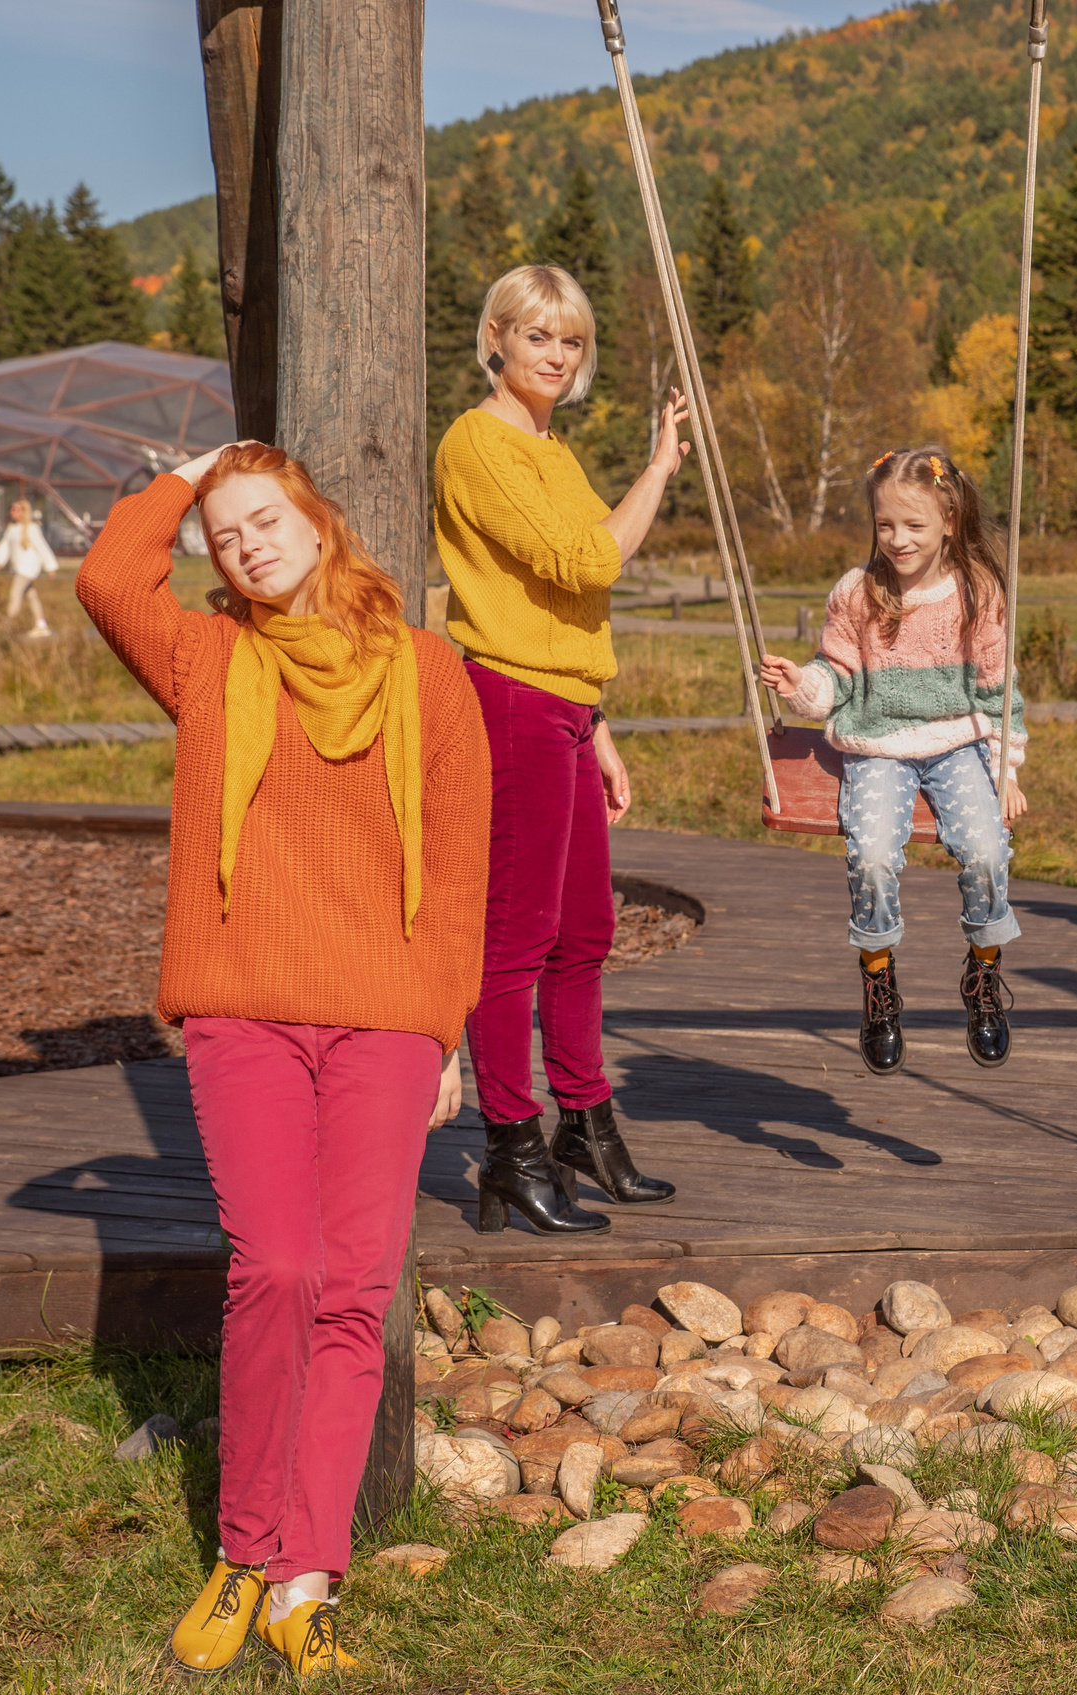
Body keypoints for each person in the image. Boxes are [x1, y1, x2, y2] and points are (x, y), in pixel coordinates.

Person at [76, 440, 489, 1680]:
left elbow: (465, 864)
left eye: (264, 518)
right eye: (224, 533)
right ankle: (244, 1549)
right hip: (245, 1008)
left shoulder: (428, 670)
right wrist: (184, 476)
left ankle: (309, 1579)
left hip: (386, 1016)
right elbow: (107, 579)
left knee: (357, 1286)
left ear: (318, 521)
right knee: (279, 1266)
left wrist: (450, 1028)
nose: (246, 543)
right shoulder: (209, 660)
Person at [432, 263, 693, 1235]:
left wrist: (601, 726)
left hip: (565, 709)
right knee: (517, 936)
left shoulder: (552, 451)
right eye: (536, 334)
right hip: (507, 702)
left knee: (584, 931)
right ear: (494, 337)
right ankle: (511, 1142)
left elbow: (571, 603)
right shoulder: (478, 443)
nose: (555, 354)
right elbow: (587, 560)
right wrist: (659, 469)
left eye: (571, 340)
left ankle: (586, 1122)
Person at [757, 446, 1027, 1076]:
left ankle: (983, 977)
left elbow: (997, 685)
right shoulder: (857, 593)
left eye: (914, 526)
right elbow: (838, 677)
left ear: (949, 523)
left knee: (986, 851)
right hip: (877, 745)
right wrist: (801, 685)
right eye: (885, 525)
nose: (898, 540)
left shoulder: (977, 592)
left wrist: (1007, 764)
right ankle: (879, 985)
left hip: (956, 741)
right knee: (873, 854)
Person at [0, 498, 59, 637]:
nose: (12, 512)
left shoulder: (32, 528)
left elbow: (42, 547)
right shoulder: (12, 529)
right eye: (12, 509)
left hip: (28, 569)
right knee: (32, 596)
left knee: (15, 594)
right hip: (18, 568)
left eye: (15, 509)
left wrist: (50, 566)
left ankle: (5, 627)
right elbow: (5, 546)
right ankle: (41, 625)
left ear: (23, 512)